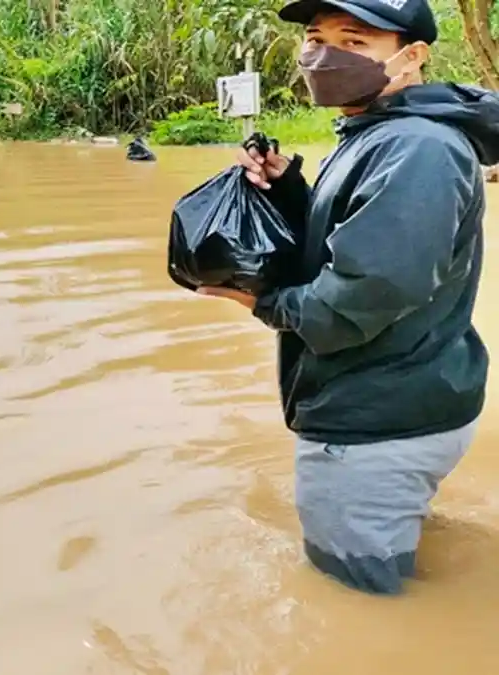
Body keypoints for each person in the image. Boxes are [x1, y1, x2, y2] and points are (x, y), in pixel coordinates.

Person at [198, 0, 499, 594]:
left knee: (359, 599)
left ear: (411, 57)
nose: (324, 55)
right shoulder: (380, 131)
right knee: (404, 565)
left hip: (375, 426)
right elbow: (362, 240)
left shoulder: (417, 148)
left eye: (355, 41)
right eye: (315, 38)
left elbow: (361, 296)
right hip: (412, 396)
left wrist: (264, 303)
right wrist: (290, 191)